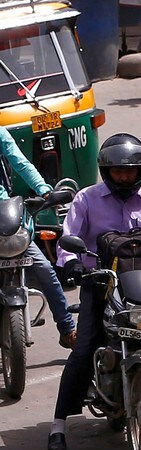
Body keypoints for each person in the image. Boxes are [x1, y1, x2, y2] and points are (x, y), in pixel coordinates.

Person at [47, 133, 141, 450]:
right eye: (118, 172)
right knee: (84, 347)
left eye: (130, 171)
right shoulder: (86, 199)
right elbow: (67, 239)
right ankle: (58, 424)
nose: (125, 177)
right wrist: (71, 263)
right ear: (106, 171)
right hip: (100, 284)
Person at [0, 125, 74, 349]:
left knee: (44, 268)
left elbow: (20, 163)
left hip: (5, 217)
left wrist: (45, 191)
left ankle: (68, 328)